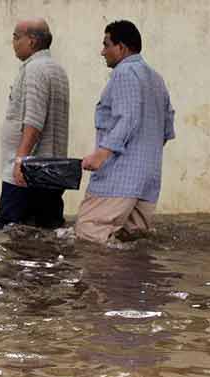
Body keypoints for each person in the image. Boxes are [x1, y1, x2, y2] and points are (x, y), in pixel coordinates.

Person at [76, 20, 175, 244]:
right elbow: (167, 128)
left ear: (121, 47)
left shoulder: (124, 72)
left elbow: (127, 118)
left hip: (119, 178)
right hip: (148, 179)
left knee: (89, 234)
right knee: (133, 244)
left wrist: (101, 155)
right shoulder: (156, 79)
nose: (102, 52)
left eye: (106, 45)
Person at [0, 18, 70, 230]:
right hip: (51, 171)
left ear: (32, 41)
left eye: (16, 37)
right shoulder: (57, 70)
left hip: (27, 173)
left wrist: (20, 161)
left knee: (10, 231)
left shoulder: (35, 69)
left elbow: (34, 121)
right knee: (46, 230)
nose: (13, 43)